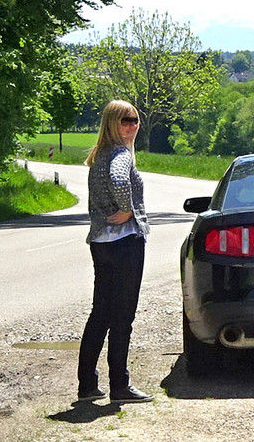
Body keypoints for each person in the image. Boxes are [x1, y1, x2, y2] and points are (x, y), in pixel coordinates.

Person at [76, 100, 153, 404]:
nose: (132, 126)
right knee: (122, 317)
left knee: (100, 314)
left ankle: (87, 385)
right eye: (125, 121)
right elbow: (120, 180)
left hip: (101, 243)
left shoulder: (99, 155)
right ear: (112, 123)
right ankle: (120, 386)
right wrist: (128, 209)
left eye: (135, 120)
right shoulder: (120, 154)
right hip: (124, 243)